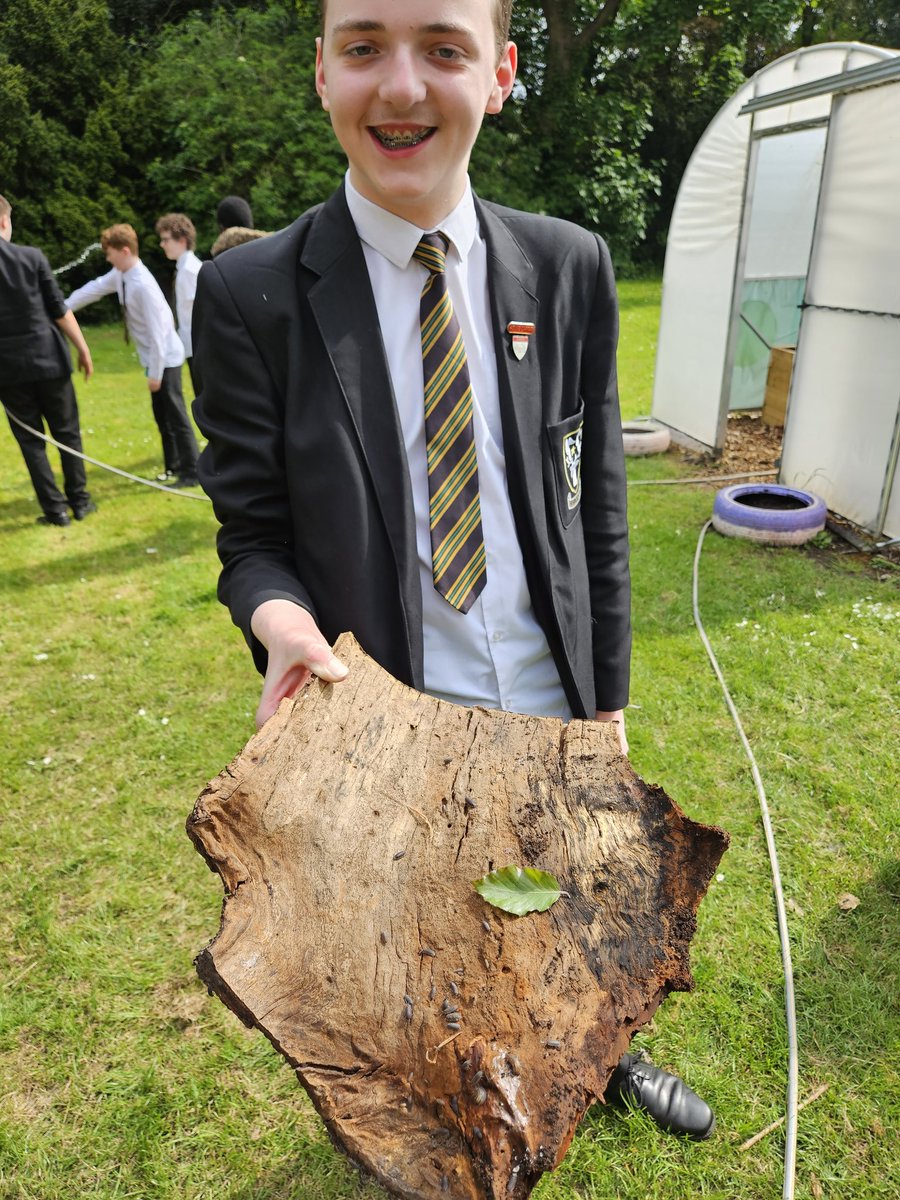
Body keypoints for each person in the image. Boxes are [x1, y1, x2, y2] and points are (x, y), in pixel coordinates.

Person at [193, 0, 714, 1140]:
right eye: (365, 46)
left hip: (550, 688)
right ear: (322, 70)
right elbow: (252, 536)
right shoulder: (252, 299)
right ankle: (443, 1090)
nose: (402, 87)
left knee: (572, 897)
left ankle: (606, 1055)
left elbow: (599, 512)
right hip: (390, 721)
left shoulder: (568, 268)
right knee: (422, 932)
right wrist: (281, 622)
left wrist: (608, 701)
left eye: (443, 48)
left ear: (500, 74)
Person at [66, 224, 199, 487]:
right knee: (162, 416)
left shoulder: (142, 285)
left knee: (176, 415)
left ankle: (192, 471)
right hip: (153, 359)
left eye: (110, 253)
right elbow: (94, 288)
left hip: (166, 358)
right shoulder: (121, 274)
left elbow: (160, 334)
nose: (107, 258)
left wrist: (156, 373)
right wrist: (62, 307)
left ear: (125, 251)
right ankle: (172, 466)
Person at [0, 193, 96, 526]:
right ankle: (80, 502)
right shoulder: (31, 257)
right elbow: (59, 309)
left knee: (31, 440)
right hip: (49, 359)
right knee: (67, 432)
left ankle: (55, 511)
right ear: (4, 221)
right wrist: (82, 347)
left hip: (8, 370)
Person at [155, 212, 203, 395]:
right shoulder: (184, 268)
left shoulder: (189, 271)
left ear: (182, 240)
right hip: (193, 347)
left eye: (166, 240)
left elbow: (199, 312)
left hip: (198, 348)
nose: (162, 244)